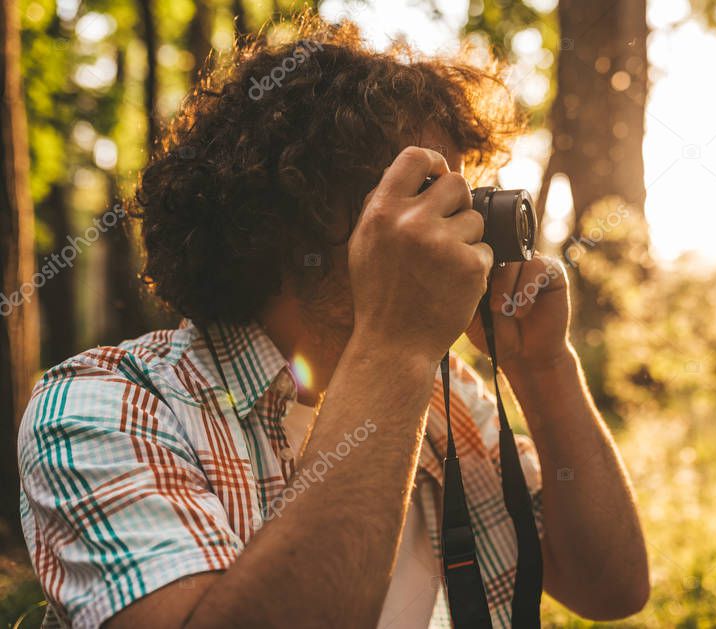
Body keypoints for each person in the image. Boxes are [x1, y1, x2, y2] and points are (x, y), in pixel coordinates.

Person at [17, 13, 648, 628]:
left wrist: (542, 367)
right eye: (428, 190)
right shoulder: (108, 406)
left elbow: (610, 587)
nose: (467, 227)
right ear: (298, 212)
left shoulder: (446, 397)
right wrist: (396, 346)